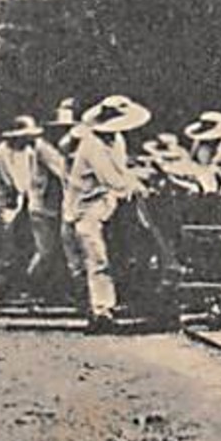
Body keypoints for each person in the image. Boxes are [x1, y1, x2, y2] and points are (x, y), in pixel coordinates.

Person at [64, 94, 150, 333]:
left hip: (106, 205)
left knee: (114, 257)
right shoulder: (92, 144)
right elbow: (112, 178)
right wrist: (138, 183)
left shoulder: (117, 139)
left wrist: (138, 176)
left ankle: (106, 306)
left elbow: (121, 171)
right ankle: (101, 312)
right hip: (84, 209)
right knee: (96, 259)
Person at [26, 101, 76, 300]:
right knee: (46, 251)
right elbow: (63, 173)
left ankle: (53, 291)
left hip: (53, 205)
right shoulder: (44, 148)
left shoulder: (55, 148)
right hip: (42, 206)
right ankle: (30, 285)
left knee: (57, 251)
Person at [0, 115, 40, 296]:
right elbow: (10, 179)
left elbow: (34, 175)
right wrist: (24, 191)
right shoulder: (3, 151)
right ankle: (1, 283)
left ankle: (17, 282)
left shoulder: (29, 152)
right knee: (6, 244)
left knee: (23, 243)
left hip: (23, 202)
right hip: (5, 202)